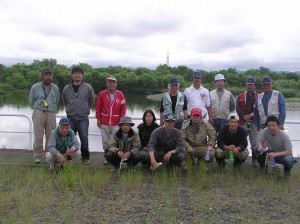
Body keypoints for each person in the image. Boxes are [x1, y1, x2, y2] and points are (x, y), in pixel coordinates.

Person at [62, 66, 95, 165]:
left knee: (84, 139)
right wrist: (71, 108)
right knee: (68, 139)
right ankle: (68, 157)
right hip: (71, 117)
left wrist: (85, 108)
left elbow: (91, 100)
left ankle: (85, 158)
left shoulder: (88, 87)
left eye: (79, 73)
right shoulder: (67, 88)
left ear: (82, 75)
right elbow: (64, 100)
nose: (77, 75)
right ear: (72, 75)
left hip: (83, 117)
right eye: (75, 73)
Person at [29, 68, 60, 164]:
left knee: (51, 135)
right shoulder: (35, 87)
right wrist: (37, 108)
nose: (48, 77)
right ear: (42, 76)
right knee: (38, 135)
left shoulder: (55, 88)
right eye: (46, 75)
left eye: (50, 75)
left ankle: (49, 155)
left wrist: (50, 108)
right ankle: (38, 156)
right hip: (38, 111)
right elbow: (31, 101)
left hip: (51, 112)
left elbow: (57, 100)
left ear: (52, 77)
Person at [96, 76, 126, 164]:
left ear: (116, 84)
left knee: (116, 141)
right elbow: (98, 107)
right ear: (106, 84)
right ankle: (108, 158)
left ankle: (117, 157)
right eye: (109, 82)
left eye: (113, 82)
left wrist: (122, 121)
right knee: (105, 141)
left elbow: (123, 109)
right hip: (104, 122)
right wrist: (98, 119)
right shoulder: (102, 94)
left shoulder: (120, 94)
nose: (111, 84)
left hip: (116, 123)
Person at [236, 76, 259, 165]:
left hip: (254, 122)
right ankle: (240, 160)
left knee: (255, 142)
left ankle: (254, 160)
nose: (250, 86)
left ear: (255, 86)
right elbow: (237, 108)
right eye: (248, 84)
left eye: (251, 84)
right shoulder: (240, 96)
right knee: (241, 140)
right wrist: (243, 116)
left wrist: (251, 115)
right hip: (243, 121)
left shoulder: (259, 96)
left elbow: (259, 109)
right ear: (246, 86)